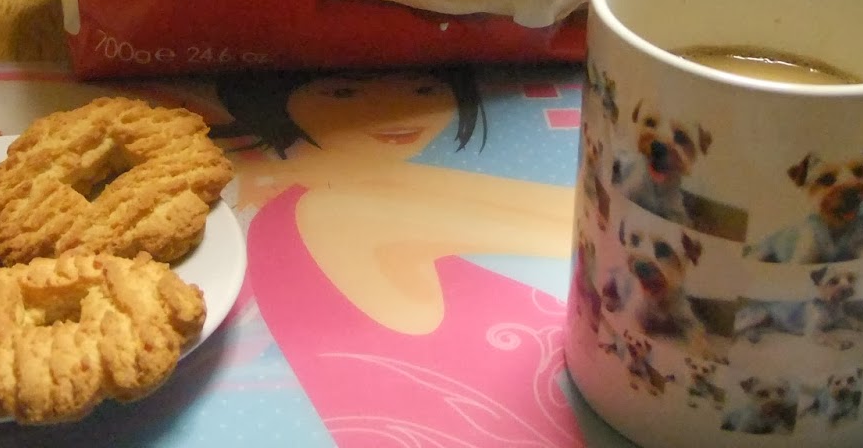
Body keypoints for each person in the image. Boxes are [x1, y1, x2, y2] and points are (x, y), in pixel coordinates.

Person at [213, 68, 585, 443]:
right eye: (342, 94)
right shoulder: (336, 207)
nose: (391, 111)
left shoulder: (360, 186)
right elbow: (583, 214)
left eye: (426, 89)